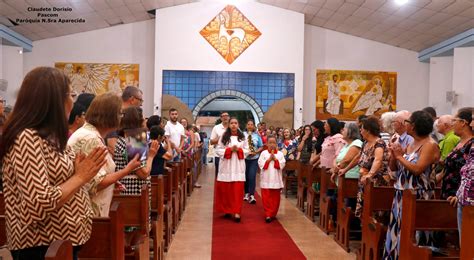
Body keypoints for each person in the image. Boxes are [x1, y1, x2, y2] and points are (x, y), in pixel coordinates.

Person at [0, 67, 107, 259]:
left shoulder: (50, 136)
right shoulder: (27, 137)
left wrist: (79, 172)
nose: (73, 102)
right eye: (71, 94)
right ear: (55, 99)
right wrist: (80, 177)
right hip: (40, 245)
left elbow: (60, 181)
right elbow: (38, 203)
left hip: (59, 243)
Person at [68, 93, 142, 217]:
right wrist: (127, 170)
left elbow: (96, 176)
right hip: (88, 213)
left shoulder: (92, 135)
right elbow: (95, 183)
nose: (121, 117)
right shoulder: (89, 138)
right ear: (110, 115)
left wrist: (112, 181)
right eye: (120, 113)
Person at [383, 111, 440, 259]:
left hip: (419, 195)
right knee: (398, 231)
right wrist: (394, 157)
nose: (404, 125)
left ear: (413, 126)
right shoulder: (412, 143)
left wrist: (400, 157)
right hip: (402, 193)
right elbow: (396, 171)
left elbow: (417, 169)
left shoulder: (430, 144)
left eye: (407, 122)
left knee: (414, 233)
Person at [114, 107, 159, 195]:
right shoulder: (134, 139)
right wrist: (151, 156)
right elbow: (144, 173)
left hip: (124, 188)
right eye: (142, 118)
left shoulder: (121, 138)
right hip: (135, 189)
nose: (145, 121)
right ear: (137, 121)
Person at [355, 116, 391, 218]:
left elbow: (378, 159)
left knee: (373, 213)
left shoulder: (379, 143)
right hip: (364, 181)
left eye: (361, 128)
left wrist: (370, 174)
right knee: (364, 211)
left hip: (375, 181)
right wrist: (345, 168)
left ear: (368, 130)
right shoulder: (365, 143)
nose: (360, 131)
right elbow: (358, 157)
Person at [215, 117, 249, 222]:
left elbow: (248, 150)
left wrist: (238, 150)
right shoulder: (223, 137)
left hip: (238, 166)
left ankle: (237, 212)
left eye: (235, 123)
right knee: (227, 190)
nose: (234, 125)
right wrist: (229, 150)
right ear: (229, 125)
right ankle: (228, 210)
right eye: (232, 123)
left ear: (238, 125)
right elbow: (218, 150)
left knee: (237, 191)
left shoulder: (243, 137)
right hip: (226, 166)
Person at [450, 109, 474, 243]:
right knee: (465, 244)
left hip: (471, 201)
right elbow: (466, 174)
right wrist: (458, 195)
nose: (472, 123)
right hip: (464, 200)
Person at [440, 108, 474, 200]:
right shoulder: (459, 142)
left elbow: (470, 174)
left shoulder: (471, 144)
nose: (452, 124)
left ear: (463, 122)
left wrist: (459, 195)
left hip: (459, 196)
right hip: (448, 193)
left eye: (454, 120)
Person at [258, 135, 286, 223]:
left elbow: (282, 165)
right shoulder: (264, 153)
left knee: (275, 198)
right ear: (266, 144)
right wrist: (269, 160)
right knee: (266, 198)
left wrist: (276, 160)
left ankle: (273, 213)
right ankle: (268, 214)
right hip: (266, 178)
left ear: (276, 144)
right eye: (270, 143)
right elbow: (261, 164)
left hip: (276, 179)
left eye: (274, 142)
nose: (272, 144)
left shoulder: (280, 154)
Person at [243, 119, 264, 204]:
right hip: (244, 158)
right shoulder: (242, 135)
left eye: (252, 124)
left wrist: (256, 152)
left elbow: (261, 146)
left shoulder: (257, 136)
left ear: (254, 126)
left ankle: (252, 194)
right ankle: (246, 193)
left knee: (252, 176)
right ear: (246, 126)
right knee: (245, 176)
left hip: (254, 158)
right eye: (248, 124)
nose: (250, 126)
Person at [211, 112, 229, 176]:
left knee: (228, 175)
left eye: (226, 116)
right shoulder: (216, 127)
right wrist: (221, 137)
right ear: (221, 118)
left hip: (230, 155)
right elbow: (211, 142)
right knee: (218, 174)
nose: (225, 117)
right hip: (219, 155)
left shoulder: (233, 127)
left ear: (229, 117)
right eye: (223, 116)